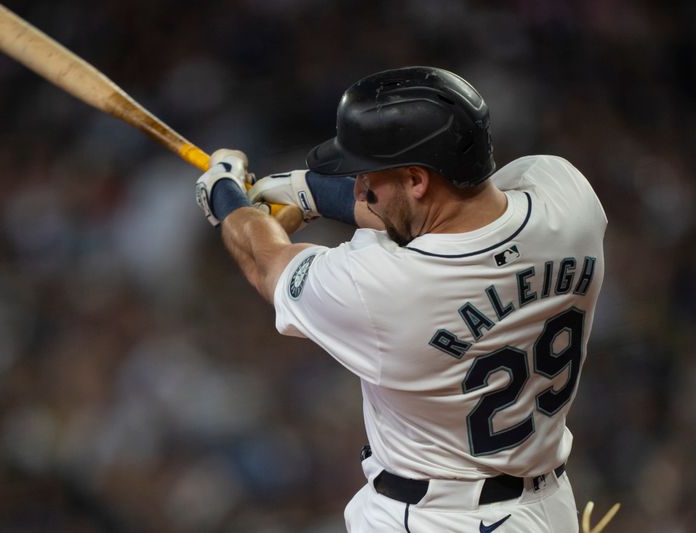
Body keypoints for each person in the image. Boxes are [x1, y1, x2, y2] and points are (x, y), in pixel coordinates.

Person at [194, 66, 607, 532]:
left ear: (416, 180)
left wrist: (227, 196)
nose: (358, 190)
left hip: (439, 518)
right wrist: (306, 191)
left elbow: (264, 260)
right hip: (548, 507)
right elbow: (453, 217)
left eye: (368, 177)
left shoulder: (381, 288)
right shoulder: (568, 197)